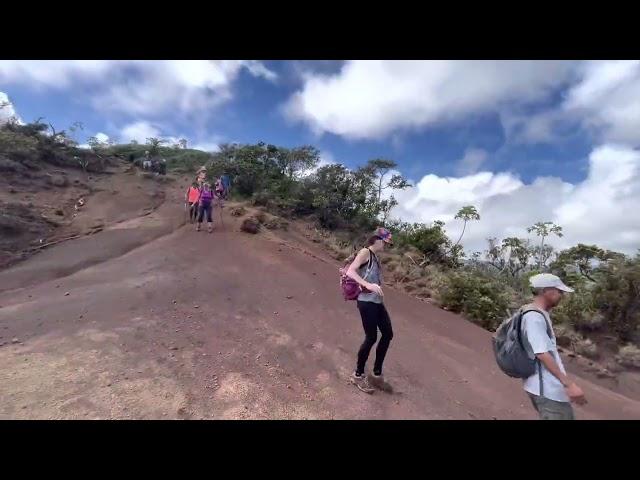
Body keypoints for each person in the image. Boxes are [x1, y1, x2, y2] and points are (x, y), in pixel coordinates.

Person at [523, 273, 587, 420]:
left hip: (546, 387)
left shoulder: (540, 313)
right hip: (547, 390)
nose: (562, 295)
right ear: (546, 291)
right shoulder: (534, 317)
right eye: (559, 291)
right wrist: (569, 384)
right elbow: (542, 353)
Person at [345, 227, 394, 394]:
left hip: (377, 302)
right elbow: (350, 271)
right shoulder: (366, 252)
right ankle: (357, 375)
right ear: (377, 240)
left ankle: (376, 374)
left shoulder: (375, 257)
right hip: (366, 302)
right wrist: (367, 285)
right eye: (385, 242)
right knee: (371, 337)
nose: (386, 246)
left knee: (387, 334)